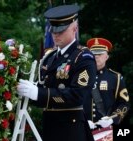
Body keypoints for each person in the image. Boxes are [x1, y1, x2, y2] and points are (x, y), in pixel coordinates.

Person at [17, 4, 96, 141]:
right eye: (53, 30)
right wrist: (25, 91)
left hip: (71, 131)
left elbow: (77, 95)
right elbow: (43, 89)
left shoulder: (83, 57)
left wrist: (38, 93)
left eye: (61, 30)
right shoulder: (50, 57)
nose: (55, 35)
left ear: (74, 29)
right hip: (49, 127)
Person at [85, 38, 130, 130]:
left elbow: (124, 103)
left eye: (100, 54)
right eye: (93, 54)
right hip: (83, 129)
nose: (96, 56)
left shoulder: (115, 78)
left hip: (106, 131)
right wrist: (80, 121)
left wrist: (113, 119)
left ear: (107, 57)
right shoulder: (80, 76)